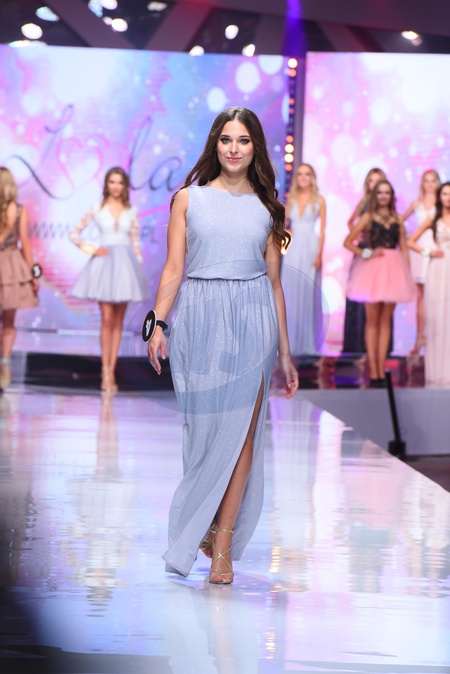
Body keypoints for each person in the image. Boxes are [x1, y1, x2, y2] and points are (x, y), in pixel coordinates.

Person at [147, 107, 299, 584]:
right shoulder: (187, 199)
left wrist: (286, 352)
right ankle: (205, 523)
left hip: (254, 319)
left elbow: (275, 283)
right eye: (227, 139)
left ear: (256, 148)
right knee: (205, 434)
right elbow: (174, 267)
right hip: (200, 317)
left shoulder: (268, 208)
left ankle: (223, 546)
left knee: (243, 434)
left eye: (244, 140)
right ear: (215, 144)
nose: (234, 148)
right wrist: (158, 324)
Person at [69, 167, 147, 392]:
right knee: (106, 318)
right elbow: (74, 233)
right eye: (112, 182)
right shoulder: (97, 209)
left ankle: (112, 370)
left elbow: (135, 242)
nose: (115, 186)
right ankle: (105, 371)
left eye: (119, 182)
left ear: (125, 186)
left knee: (118, 322)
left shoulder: (131, 211)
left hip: (125, 267)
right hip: (103, 265)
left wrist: (137, 269)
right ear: (106, 184)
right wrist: (90, 249)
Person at [344, 180, 415, 387]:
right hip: (373, 270)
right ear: (375, 195)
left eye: (387, 192)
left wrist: (407, 275)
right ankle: (373, 369)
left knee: (385, 322)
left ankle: (380, 369)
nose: (383, 196)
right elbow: (348, 242)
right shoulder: (368, 216)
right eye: (380, 192)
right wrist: (366, 253)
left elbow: (403, 249)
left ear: (392, 196)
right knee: (372, 321)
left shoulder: (397, 219)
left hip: (394, 270)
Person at [407, 182, 450, 387]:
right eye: (445, 194)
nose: (448, 197)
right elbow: (411, 241)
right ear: (440, 197)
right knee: (437, 317)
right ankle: (437, 372)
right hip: (438, 267)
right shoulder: (433, 219)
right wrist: (428, 252)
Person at [0, 167, 39, 389]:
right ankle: (4, 364)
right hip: (11, 267)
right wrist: (33, 275)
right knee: (9, 323)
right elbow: (25, 244)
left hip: (9, 268)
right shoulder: (18, 210)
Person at [281, 163, 326, 355]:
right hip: (293, 247)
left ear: (312, 177)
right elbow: (282, 225)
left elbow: (323, 230)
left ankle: (308, 344)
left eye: (307, 174)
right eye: (300, 174)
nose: (303, 177)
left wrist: (319, 255)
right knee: (290, 291)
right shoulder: (290, 199)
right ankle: (289, 343)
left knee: (308, 292)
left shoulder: (319, 200)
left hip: (310, 247)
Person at [342, 168, 387, 354]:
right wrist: (358, 234)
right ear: (367, 184)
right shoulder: (364, 203)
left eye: (378, 180)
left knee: (378, 298)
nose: (374, 184)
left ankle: (377, 348)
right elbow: (350, 221)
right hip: (364, 252)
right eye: (371, 180)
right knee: (359, 297)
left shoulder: (386, 204)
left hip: (379, 254)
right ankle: (356, 345)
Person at [403, 169, 440, 354]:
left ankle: (436, 337)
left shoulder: (442, 204)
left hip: (437, 249)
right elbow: (399, 222)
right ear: (422, 183)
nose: (430, 184)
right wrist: (408, 236)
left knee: (437, 295)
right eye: (426, 180)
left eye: (433, 180)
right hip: (420, 250)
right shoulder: (416, 204)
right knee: (421, 298)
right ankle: (419, 337)